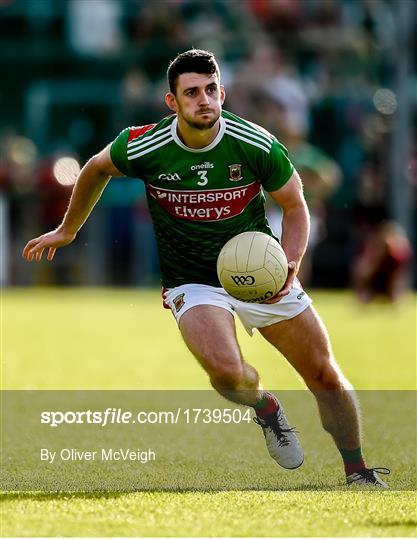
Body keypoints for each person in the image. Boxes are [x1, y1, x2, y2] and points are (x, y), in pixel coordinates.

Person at [23, 49, 389, 487]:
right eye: (191, 92)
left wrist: (289, 262)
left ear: (222, 92)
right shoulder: (146, 145)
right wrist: (67, 229)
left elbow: (295, 205)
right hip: (193, 280)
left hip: (264, 274)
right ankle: (265, 408)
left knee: (324, 374)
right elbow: (96, 168)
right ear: (171, 102)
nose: (204, 100)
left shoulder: (254, 142)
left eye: (211, 90)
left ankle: (358, 471)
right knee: (227, 373)